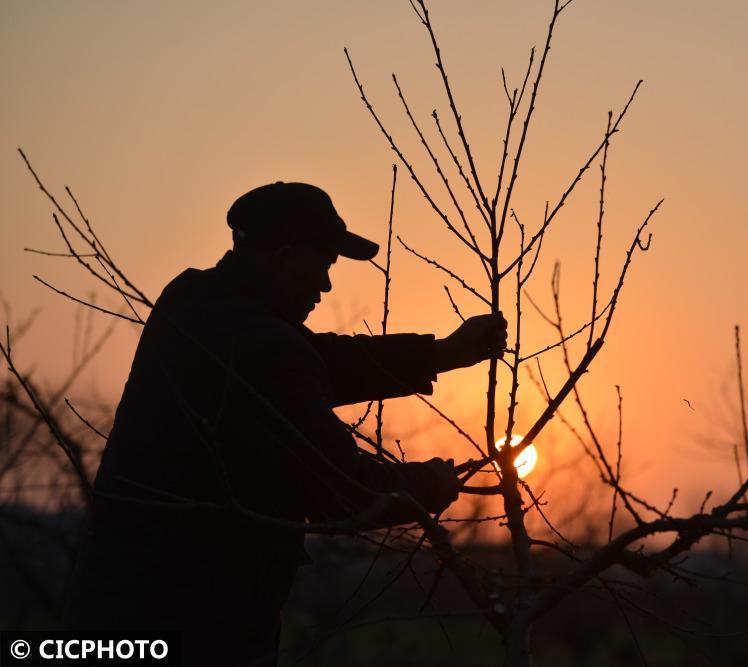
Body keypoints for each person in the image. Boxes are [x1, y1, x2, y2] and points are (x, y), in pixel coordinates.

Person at [63, 181, 507, 666]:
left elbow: (311, 360)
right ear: (287, 255)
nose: (326, 285)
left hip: (112, 608)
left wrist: (441, 353)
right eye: (324, 266)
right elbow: (346, 489)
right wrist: (430, 483)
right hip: (196, 624)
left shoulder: (192, 300)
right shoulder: (261, 345)